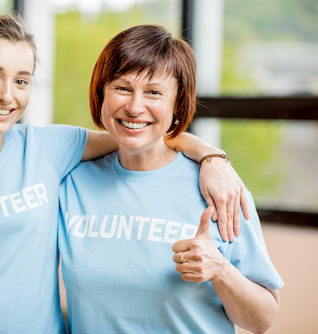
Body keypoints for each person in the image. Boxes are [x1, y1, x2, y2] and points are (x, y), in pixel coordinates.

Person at [0, 8, 247, 334]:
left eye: (21, 81)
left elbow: (138, 131)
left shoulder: (47, 147)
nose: (6, 95)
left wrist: (214, 157)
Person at [58, 24, 283, 334]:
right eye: (122, 88)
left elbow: (263, 320)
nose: (135, 107)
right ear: (101, 95)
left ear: (177, 105)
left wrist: (220, 270)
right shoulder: (70, 185)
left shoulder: (219, 190)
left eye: (154, 92)